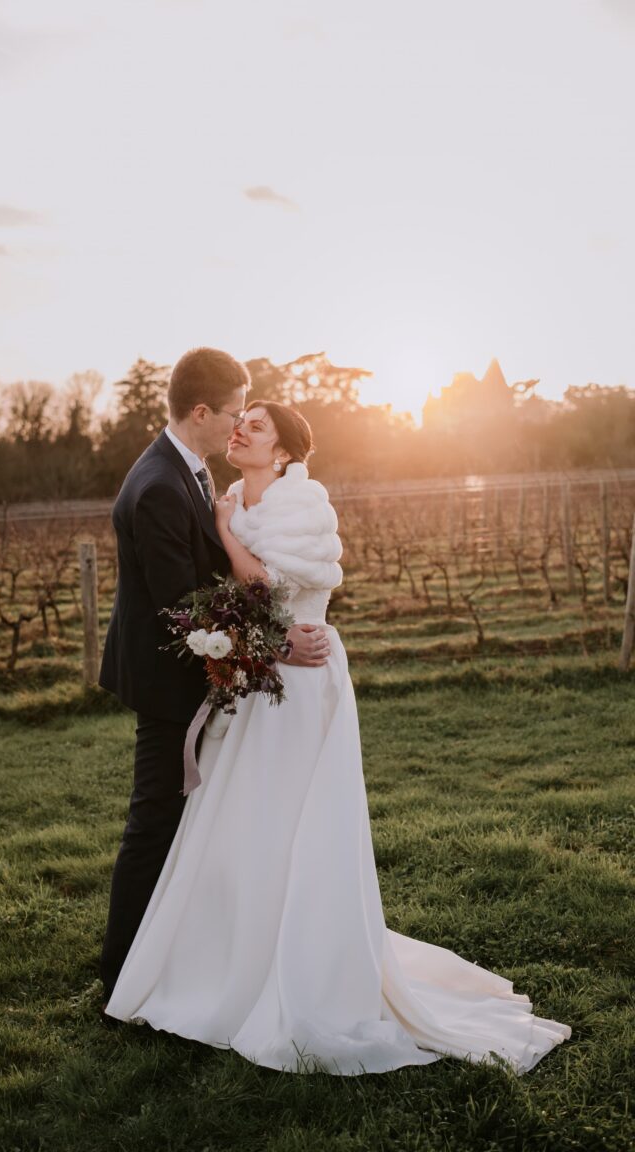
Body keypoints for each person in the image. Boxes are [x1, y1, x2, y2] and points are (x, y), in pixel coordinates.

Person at [103, 400, 571, 1075]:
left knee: (293, 819)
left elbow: (264, 586)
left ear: (286, 452)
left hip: (300, 679)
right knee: (241, 822)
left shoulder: (302, 504)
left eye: (255, 426)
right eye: (239, 422)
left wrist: (226, 532)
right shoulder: (232, 493)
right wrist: (227, 542)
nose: (240, 431)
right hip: (260, 675)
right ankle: (231, 952)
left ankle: (295, 960)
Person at [98, 350, 331, 1008]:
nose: (237, 424)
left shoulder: (187, 471)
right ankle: (122, 977)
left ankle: (185, 951)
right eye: (234, 412)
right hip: (167, 679)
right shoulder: (159, 488)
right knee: (155, 822)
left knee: (198, 818)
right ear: (201, 412)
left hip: (202, 670)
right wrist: (277, 642)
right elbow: (183, 607)